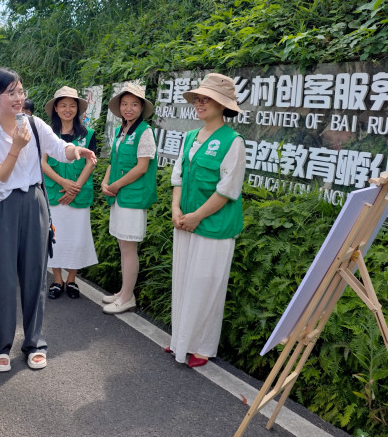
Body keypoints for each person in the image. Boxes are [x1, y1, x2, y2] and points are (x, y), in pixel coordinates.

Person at [0, 69, 96, 373]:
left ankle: (35, 342)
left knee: (34, 275)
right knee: (1, 278)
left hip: (34, 202)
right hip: (1, 207)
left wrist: (76, 150)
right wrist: (15, 147)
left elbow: (59, 148)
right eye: (10, 93)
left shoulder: (35, 124)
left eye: (21, 92)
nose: (18, 98)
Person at [167, 74, 245, 368]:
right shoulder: (189, 137)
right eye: (198, 98)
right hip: (185, 222)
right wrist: (176, 210)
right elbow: (178, 177)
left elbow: (228, 189)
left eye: (206, 99)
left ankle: (201, 347)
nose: (200, 103)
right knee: (184, 282)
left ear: (222, 105)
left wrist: (197, 216)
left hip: (213, 226)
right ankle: (180, 341)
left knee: (206, 286)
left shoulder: (233, 142)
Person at [100, 83, 158, 315]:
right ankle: (125, 292)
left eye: (134, 104)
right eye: (124, 104)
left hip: (132, 198)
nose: (128, 108)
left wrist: (115, 185)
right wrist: (105, 182)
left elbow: (142, 167)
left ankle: (126, 297)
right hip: (120, 196)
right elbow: (114, 161)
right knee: (123, 245)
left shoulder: (145, 131)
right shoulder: (121, 131)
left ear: (142, 107)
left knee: (129, 247)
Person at [42, 86, 98, 299]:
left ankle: (72, 279)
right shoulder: (48, 134)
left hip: (78, 195)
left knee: (77, 237)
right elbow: (42, 162)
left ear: (78, 109)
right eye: (63, 105)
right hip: (54, 194)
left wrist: (74, 189)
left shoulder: (88, 135)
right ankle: (57, 279)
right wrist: (63, 182)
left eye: (72, 105)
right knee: (55, 235)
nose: (68, 109)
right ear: (56, 108)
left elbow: (90, 163)